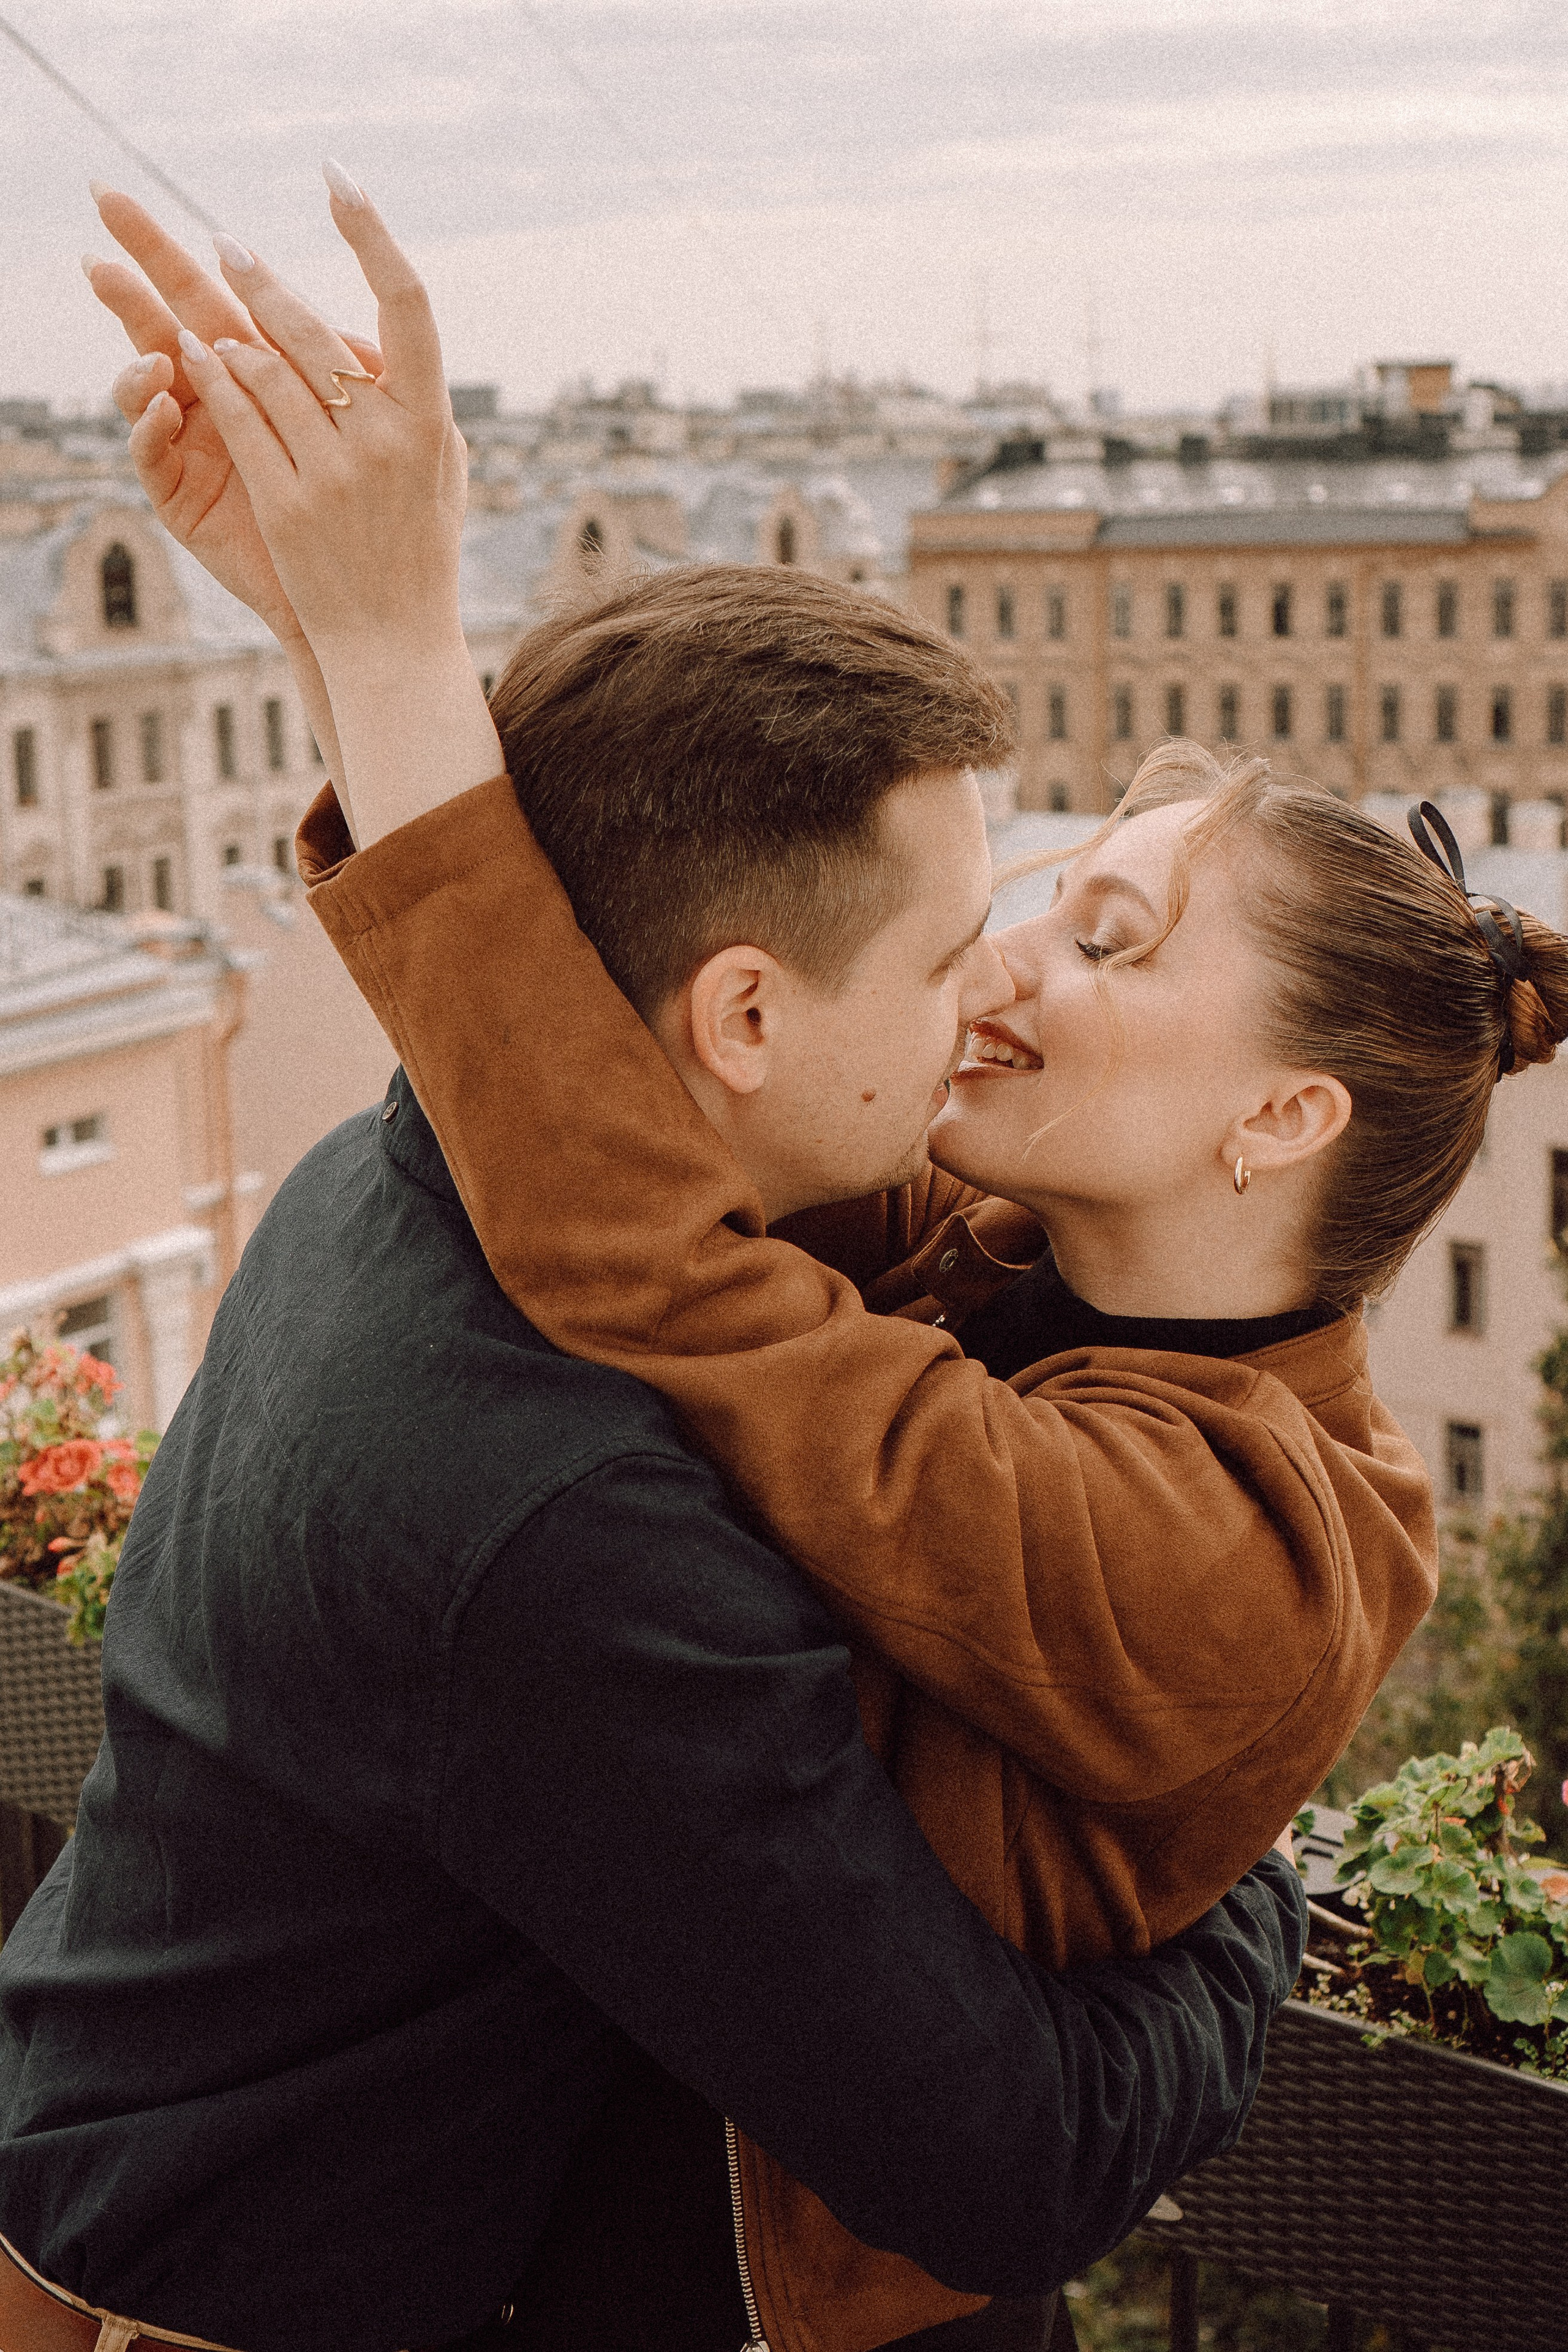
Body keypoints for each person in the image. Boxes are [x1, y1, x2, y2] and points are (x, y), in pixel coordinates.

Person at [106, 176, 1568, 2348]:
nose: (1002, 965)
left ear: (1282, 1121)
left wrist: (391, 648)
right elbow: (624, 1062)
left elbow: (656, 1244)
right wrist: (340, 637)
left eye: (1111, 938)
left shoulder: (1246, 1530)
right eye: (1051, 898)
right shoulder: (1007, 1253)